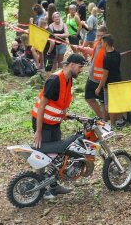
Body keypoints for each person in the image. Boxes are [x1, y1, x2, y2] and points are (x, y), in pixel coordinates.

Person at [31, 53, 85, 199]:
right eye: (80, 67)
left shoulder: (68, 81)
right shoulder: (54, 80)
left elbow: (59, 103)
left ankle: (53, 185)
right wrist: (38, 131)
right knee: (42, 155)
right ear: (72, 64)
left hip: (54, 123)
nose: (81, 70)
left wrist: (64, 115)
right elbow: (42, 105)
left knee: (57, 154)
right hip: (43, 124)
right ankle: (40, 189)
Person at [94, 34, 123, 126]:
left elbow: (105, 75)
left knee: (109, 105)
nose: (101, 44)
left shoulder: (106, 58)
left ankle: (112, 124)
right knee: (117, 101)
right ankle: (120, 120)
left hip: (109, 84)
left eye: (102, 42)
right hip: (118, 80)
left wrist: (99, 88)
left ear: (106, 43)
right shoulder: (117, 53)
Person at [85, 26, 108, 119]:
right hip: (91, 76)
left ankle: (105, 120)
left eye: (102, 36)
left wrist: (100, 85)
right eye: (98, 35)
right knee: (89, 97)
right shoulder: (96, 43)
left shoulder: (107, 48)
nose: (99, 38)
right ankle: (101, 117)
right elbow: (94, 54)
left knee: (103, 102)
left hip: (101, 80)